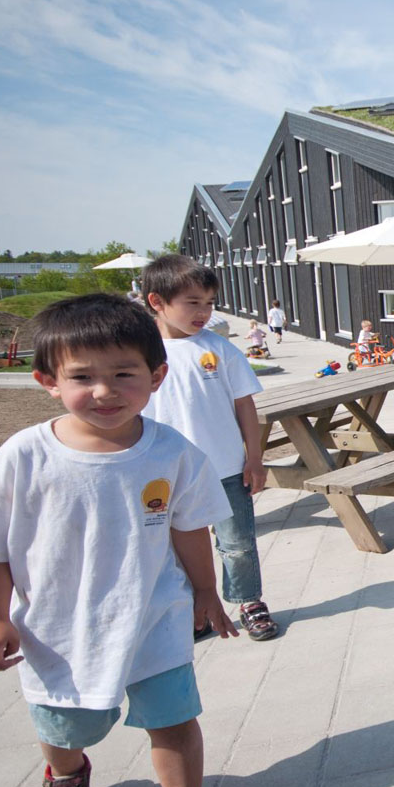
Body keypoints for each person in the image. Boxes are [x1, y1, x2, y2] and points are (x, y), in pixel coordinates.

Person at [0, 293, 240, 787]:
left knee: (175, 721)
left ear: (156, 377)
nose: (104, 391)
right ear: (47, 380)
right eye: (83, 377)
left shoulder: (171, 452)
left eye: (124, 374)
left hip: (156, 616)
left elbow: (191, 529)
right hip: (57, 628)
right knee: (63, 722)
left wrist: (205, 592)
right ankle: (66, 776)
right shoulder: (24, 455)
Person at [142, 255, 279, 643]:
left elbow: (245, 404)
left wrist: (254, 458)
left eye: (208, 302)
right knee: (175, 545)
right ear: (157, 301)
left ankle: (248, 601)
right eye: (192, 302)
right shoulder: (139, 354)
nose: (203, 312)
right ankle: (193, 610)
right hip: (166, 474)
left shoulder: (218, 348)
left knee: (237, 543)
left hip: (226, 468)